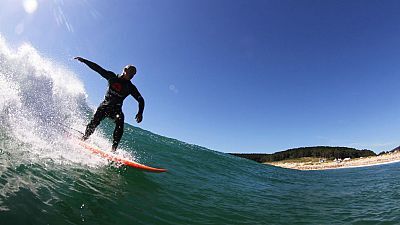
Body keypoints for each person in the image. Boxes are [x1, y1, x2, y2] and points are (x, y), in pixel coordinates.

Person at [74, 56, 144, 152]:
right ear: (125, 70)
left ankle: (113, 149)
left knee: (120, 123)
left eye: (134, 74)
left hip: (117, 110)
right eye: (131, 72)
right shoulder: (112, 77)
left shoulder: (130, 87)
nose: (132, 75)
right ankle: (84, 138)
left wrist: (140, 113)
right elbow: (98, 69)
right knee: (94, 122)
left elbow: (141, 99)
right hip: (105, 106)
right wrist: (84, 61)